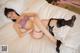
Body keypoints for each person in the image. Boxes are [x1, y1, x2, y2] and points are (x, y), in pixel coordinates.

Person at [4, 8, 76, 53]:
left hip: (39, 26)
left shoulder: (23, 14)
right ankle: (61, 25)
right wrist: (29, 30)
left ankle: (66, 23)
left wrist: (36, 18)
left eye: (10, 13)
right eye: (9, 16)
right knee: (38, 21)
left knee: (40, 20)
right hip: (35, 33)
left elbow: (35, 14)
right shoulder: (15, 25)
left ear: (13, 10)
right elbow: (20, 35)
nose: (11, 16)